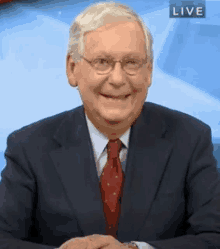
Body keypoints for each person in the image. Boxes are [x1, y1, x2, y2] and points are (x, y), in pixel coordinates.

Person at [0, 2, 220, 249]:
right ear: (72, 69)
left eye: (132, 63)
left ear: (149, 72)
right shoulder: (28, 147)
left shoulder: (191, 139)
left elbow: (213, 237)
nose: (117, 79)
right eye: (102, 62)